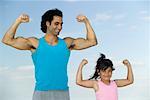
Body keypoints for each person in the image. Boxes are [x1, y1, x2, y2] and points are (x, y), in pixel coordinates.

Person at [2, 8, 97, 100]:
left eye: (61, 24)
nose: (60, 27)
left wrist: (86, 21)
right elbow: (7, 40)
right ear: (48, 23)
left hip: (62, 93)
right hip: (41, 93)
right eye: (56, 23)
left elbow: (92, 41)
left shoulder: (67, 43)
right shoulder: (35, 43)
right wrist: (18, 21)